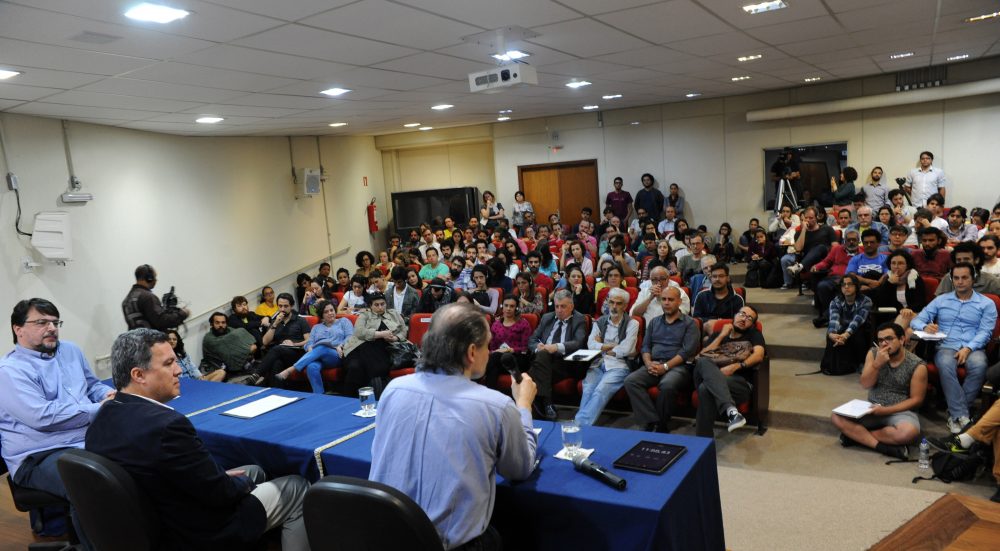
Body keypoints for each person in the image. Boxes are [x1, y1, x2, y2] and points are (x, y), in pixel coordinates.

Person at [87, 329, 310, 551]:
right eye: (168, 364)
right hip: (201, 531)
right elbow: (221, 493)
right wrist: (241, 484)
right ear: (139, 375)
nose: (178, 371)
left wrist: (220, 478)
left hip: (156, 522)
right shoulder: (167, 426)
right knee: (297, 486)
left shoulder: (100, 421)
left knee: (254, 470)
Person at [370, 303, 537, 550]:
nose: (489, 352)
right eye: (487, 345)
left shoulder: (393, 389)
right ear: (472, 352)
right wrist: (523, 405)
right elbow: (520, 468)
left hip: (384, 537)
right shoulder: (496, 406)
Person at [0, 298, 114, 547]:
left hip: (84, 441)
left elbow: (92, 385)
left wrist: (106, 395)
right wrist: (98, 408)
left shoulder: (70, 350)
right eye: (41, 322)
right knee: (88, 484)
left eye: (55, 322)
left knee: (138, 460)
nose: (51, 328)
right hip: (38, 455)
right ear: (18, 329)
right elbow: (43, 417)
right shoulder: (9, 371)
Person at [910, 262, 997, 433]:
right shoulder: (941, 300)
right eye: (956, 278)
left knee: (979, 366)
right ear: (951, 279)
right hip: (946, 345)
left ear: (974, 279)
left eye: (965, 277)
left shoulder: (986, 303)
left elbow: (986, 332)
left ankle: (955, 413)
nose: (960, 282)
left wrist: (968, 348)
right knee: (945, 364)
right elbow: (916, 320)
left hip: (974, 347)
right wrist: (925, 327)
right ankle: (961, 415)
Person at [831, 323, 927, 460]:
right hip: (871, 407)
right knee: (836, 416)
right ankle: (882, 447)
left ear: (901, 339)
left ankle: (857, 436)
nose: (884, 343)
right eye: (880, 340)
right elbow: (865, 384)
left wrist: (886, 411)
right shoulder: (873, 353)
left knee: (908, 433)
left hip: (900, 411)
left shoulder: (917, 365)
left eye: (889, 339)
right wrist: (877, 365)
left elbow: (916, 400)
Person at [624, 286, 700, 432]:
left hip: (678, 367)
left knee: (667, 385)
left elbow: (686, 352)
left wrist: (665, 367)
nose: (666, 302)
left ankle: (662, 425)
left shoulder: (690, 324)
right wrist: (648, 363)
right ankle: (650, 419)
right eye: (664, 299)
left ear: (679, 301)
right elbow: (645, 347)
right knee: (631, 381)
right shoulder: (654, 322)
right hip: (654, 363)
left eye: (670, 299)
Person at [692, 306, 765, 437]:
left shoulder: (754, 335)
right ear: (735, 315)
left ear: (752, 324)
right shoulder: (718, 335)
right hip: (715, 379)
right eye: (742, 314)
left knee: (705, 388)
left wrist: (737, 366)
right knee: (703, 361)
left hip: (738, 384)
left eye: (749, 318)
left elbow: (759, 355)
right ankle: (731, 411)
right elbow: (700, 357)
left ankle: (703, 441)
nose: (744, 319)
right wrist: (721, 336)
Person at [575, 288, 639, 426]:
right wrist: (612, 346)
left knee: (600, 390)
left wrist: (602, 345)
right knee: (588, 389)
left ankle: (579, 425)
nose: (614, 307)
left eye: (619, 303)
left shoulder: (632, 323)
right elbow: (591, 345)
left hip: (619, 366)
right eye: (611, 302)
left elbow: (627, 349)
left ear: (625, 306)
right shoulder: (600, 321)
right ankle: (581, 424)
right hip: (598, 363)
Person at [526, 289, 588, 420]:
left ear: (571, 306)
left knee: (531, 372)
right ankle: (547, 402)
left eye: (563, 306)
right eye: (557, 306)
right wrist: (538, 347)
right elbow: (532, 340)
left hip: (565, 362)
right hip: (544, 361)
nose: (559, 310)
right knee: (542, 355)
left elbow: (579, 343)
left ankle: (538, 402)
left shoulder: (579, 319)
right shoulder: (547, 318)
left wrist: (556, 347)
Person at [275, 300, 353, 394]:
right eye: (326, 312)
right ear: (322, 315)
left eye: (331, 310)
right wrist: (310, 348)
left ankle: (291, 370)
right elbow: (309, 342)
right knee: (311, 367)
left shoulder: (344, 321)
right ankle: (319, 396)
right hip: (318, 356)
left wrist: (341, 345)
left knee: (322, 347)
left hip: (336, 354)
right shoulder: (316, 327)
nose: (330, 313)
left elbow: (350, 337)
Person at [341, 292, 407, 397]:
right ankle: (348, 400)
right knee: (355, 367)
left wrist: (396, 338)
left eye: (382, 304)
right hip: (362, 347)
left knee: (362, 368)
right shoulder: (365, 315)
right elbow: (359, 332)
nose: (380, 307)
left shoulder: (393, 314)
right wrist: (380, 334)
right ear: (370, 306)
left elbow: (404, 330)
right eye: (376, 305)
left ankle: (360, 397)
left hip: (385, 349)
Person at [252, 293, 310, 386]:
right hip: (281, 354)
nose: (282, 309)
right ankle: (277, 391)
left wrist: (294, 344)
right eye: (280, 306)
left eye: (286, 306)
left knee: (277, 348)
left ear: (291, 306)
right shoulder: (276, 321)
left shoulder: (300, 321)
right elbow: (265, 342)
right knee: (276, 363)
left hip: (297, 352)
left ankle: (256, 375)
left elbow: (309, 340)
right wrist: (275, 324)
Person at [822, 274, 873, 376]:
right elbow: (834, 320)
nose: (846, 287)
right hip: (843, 328)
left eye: (850, 284)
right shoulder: (836, 301)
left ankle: (861, 362)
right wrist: (832, 334)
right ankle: (836, 364)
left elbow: (858, 320)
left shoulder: (865, 300)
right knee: (831, 335)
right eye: (843, 284)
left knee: (858, 333)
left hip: (860, 328)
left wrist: (845, 335)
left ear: (857, 286)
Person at [810, 229, 860, 327]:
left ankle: (827, 317)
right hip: (834, 278)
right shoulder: (837, 249)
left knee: (843, 290)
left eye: (854, 240)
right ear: (844, 241)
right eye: (848, 240)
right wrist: (817, 266)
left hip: (851, 280)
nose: (851, 242)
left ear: (858, 240)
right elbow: (826, 261)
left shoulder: (862, 252)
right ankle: (832, 315)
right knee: (822, 286)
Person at [780, 206, 837, 290]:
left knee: (820, 247)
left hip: (825, 258)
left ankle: (798, 267)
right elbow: (798, 249)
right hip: (808, 261)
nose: (808, 220)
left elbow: (835, 246)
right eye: (806, 218)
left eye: (811, 218)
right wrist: (804, 230)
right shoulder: (799, 232)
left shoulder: (827, 229)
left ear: (817, 217)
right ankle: (800, 267)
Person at [484, 297, 533, 388]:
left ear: (516, 308)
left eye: (512, 306)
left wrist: (510, 350)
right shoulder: (496, 325)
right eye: (506, 305)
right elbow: (493, 347)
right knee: (494, 367)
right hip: (498, 360)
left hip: (518, 359)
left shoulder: (523, 324)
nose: (508, 308)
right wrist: (495, 352)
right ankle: (491, 396)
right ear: (502, 307)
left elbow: (526, 348)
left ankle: (478, 376)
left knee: (494, 360)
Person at [122, 264, 190, 330]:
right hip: (151, 340)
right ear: (149, 278)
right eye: (154, 277)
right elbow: (162, 321)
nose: (156, 280)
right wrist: (183, 313)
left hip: (135, 340)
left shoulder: (126, 300)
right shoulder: (148, 297)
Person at [875, 250, 926, 329]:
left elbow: (920, 302)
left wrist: (909, 309)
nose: (896, 266)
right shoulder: (886, 279)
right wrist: (889, 283)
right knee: (907, 332)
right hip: (893, 316)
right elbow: (879, 302)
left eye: (900, 263)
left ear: (907, 265)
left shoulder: (915, 278)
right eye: (893, 263)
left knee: (905, 316)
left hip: (914, 314)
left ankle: (894, 335)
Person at [692, 264, 745, 333]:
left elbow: (739, 321)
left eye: (721, 276)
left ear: (728, 278)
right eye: (714, 276)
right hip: (706, 331)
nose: (717, 279)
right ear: (711, 278)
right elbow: (696, 320)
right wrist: (712, 322)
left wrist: (719, 323)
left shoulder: (737, 299)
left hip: (730, 333)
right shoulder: (701, 296)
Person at [202, 312, 258, 377]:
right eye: (217, 323)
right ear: (212, 324)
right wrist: (248, 349)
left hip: (239, 357)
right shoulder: (209, 338)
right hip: (221, 365)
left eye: (223, 322)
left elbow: (241, 334)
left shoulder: (230, 330)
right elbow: (226, 352)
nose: (221, 325)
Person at [934, 241, 1000, 296]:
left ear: (976, 260)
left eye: (966, 259)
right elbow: (938, 303)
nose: (962, 263)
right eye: (958, 260)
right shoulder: (948, 278)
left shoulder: (991, 281)